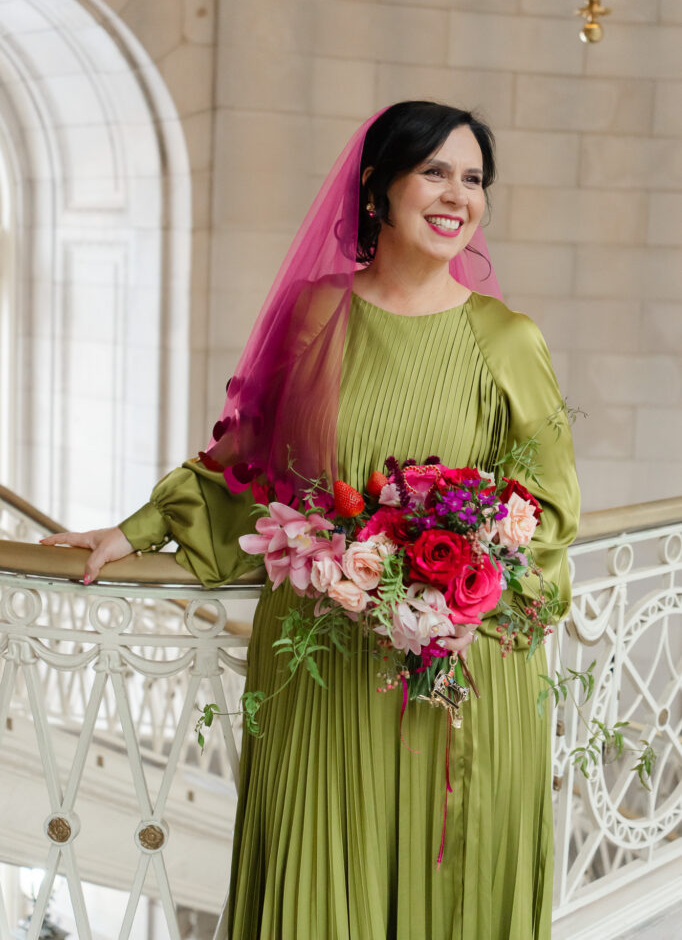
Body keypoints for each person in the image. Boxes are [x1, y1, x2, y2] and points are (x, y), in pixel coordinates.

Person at [41, 101, 581, 939]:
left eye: (473, 179)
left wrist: (447, 590)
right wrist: (136, 530)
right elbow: (250, 461)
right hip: (321, 663)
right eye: (434, 171)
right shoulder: (315, 315)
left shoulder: (508, 340)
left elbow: (549, 511)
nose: (457, 196)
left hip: (461, 673)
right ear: (377, 189)